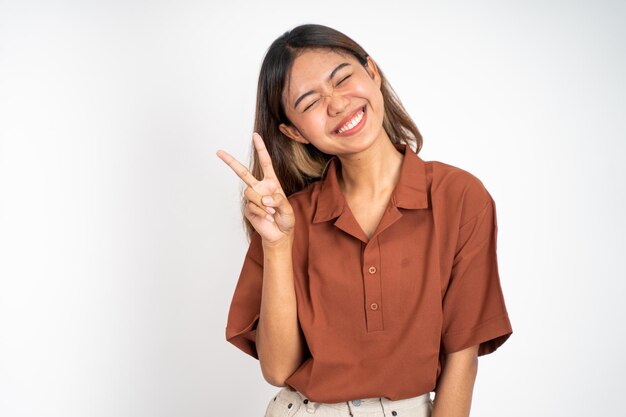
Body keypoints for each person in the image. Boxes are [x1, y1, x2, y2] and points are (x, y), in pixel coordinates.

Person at [217, 23, 513, 417]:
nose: (336, 104)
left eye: (342, 79)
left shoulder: (458, 197)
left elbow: (463, 355)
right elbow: (278, 369)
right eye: (309, 103)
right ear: (294, 132)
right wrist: (275, 244)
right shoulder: (289, 219)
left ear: (372, 73)